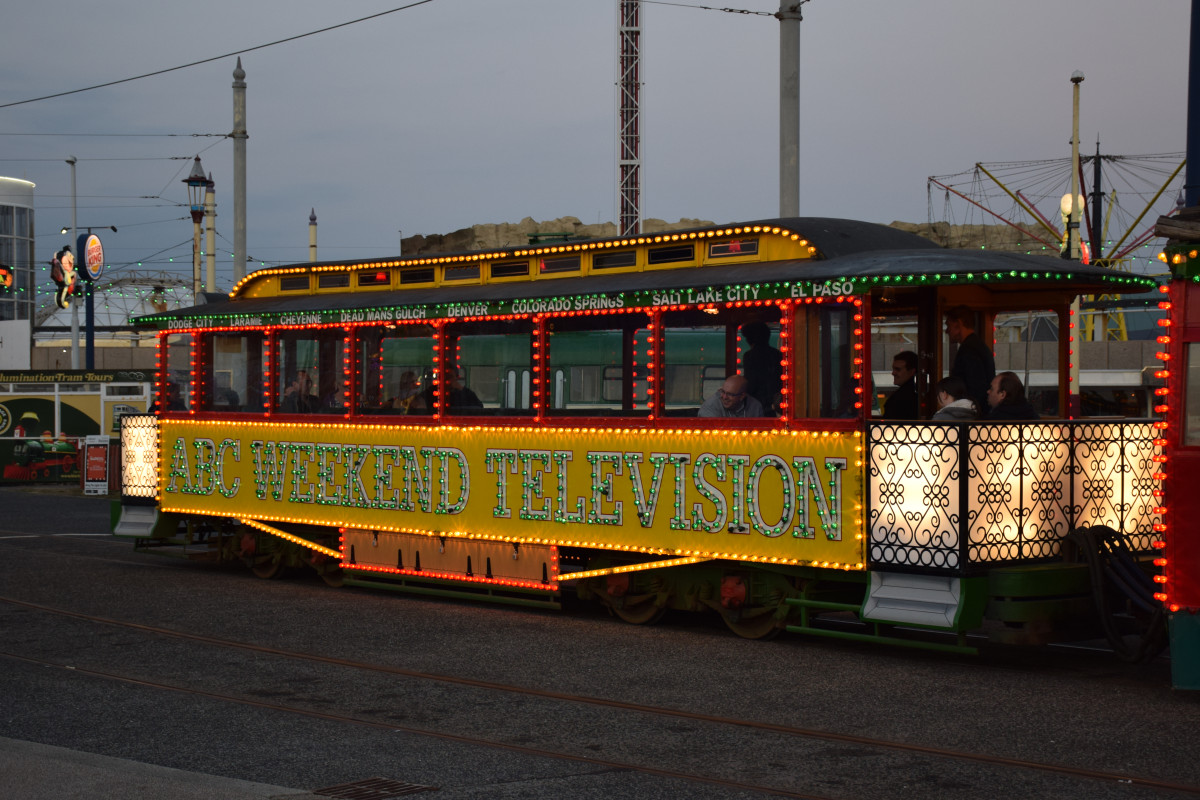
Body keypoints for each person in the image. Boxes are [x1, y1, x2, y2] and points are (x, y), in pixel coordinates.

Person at [944, 306, 995, 413]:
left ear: (958, 323)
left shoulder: (968, 350)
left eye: (948, 325)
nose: (946, 331)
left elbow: (976, 387)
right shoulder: (977, 345)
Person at [740, 321, 782, 415]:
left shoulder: (750, 356)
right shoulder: (777, 354)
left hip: (755, 404)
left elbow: (751, 381)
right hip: (773, 404)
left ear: (750, 339)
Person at [698, 374, 765, 418]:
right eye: (722, 392)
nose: (724, 397)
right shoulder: (710, 406)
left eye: (730, 394)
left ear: (742, 396)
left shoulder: (755, 407)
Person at [881, 350, 918, 419]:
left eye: (898, 369)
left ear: (911, 372)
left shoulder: (902, 397)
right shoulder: (914, 393)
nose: (893, 373)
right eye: (893, 369)